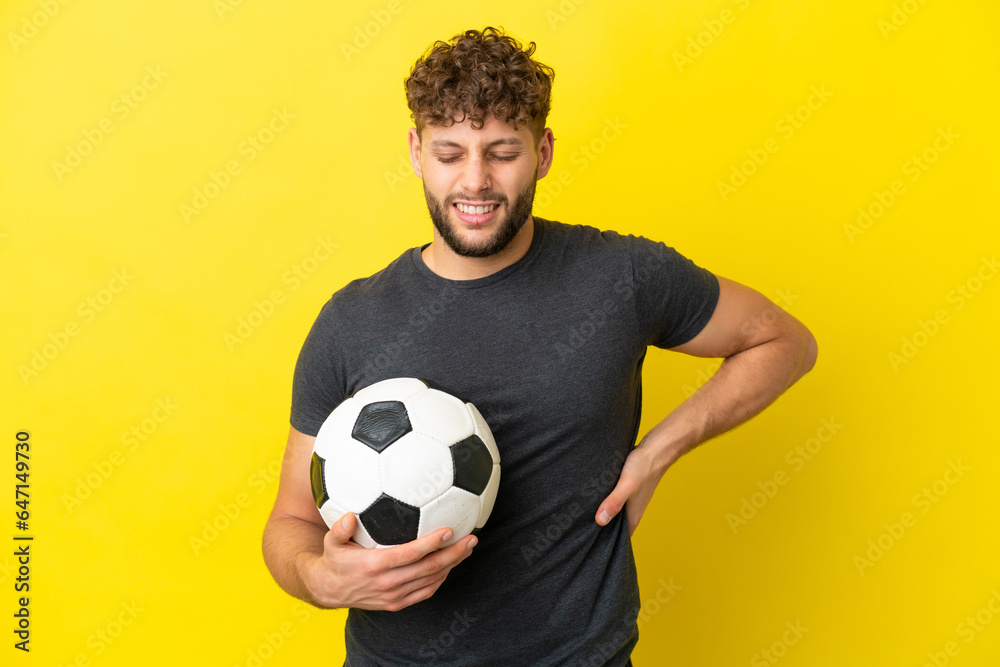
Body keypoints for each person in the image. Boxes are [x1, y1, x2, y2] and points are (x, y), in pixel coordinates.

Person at [262, 26, 817, 666]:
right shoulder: (350, 321)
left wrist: (657, 453)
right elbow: (289, 525)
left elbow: (785, 342)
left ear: (543, 150)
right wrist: (319, 579)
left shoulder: (622, 278)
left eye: (502, 152)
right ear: (416, 152)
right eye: (449, 154)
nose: (476, 181)